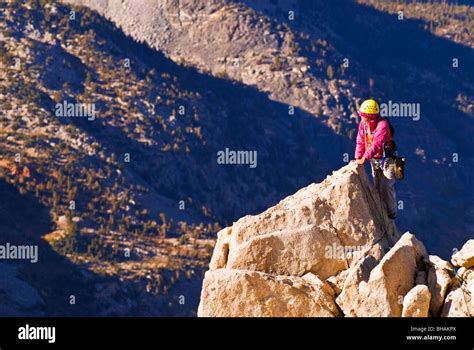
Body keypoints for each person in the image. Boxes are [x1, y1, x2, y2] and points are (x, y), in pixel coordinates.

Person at [353, 99, 397, 220]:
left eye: (363, 115)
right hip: (375, 159)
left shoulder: (382, 125)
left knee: (387, 183)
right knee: (377, 184)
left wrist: (364, 158)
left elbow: (377, 144)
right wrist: (358, 158)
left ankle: (391, 212)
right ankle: (380, 210)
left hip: (388, 158)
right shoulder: (363, 125)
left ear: (369, 115)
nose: (361, 117)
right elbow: (360, 142)